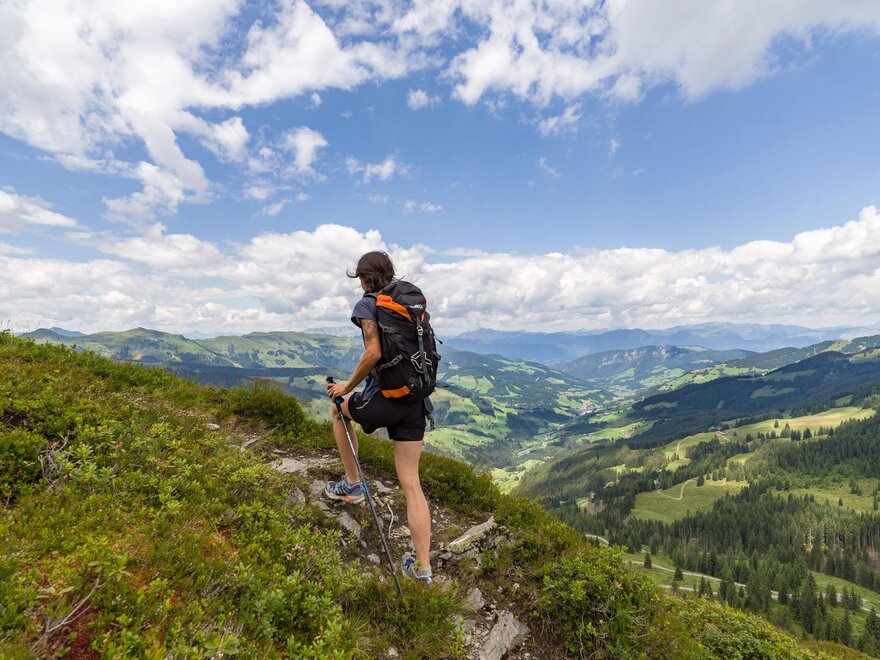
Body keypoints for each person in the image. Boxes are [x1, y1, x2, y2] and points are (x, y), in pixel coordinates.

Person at [325, 251, 433, 585]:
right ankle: (423, 569)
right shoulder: (409, 304)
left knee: (337, 408)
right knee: (411, 484)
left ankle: (353, 483)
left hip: (385, 399)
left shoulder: (367, 305)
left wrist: (347, 387)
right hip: (415, 400)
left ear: (363, 278)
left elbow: (373, 352)